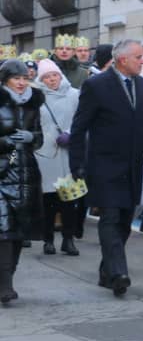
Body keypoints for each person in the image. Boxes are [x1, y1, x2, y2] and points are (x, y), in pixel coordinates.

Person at [69, 39, 143, 297]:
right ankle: (119, 273)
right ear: (123, 60)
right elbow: (79, 127)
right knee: (110, 218)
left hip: (132, 166)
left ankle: (106, 270)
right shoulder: (96, 85)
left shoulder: (142, 85)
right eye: (138, 58)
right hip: (104, 165)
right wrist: (76, 164)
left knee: (124, 221)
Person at [0, 59, 45, 305]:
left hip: (26, 172)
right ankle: (5, 285)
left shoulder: (32, 104)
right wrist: (6, 142)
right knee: (4, 231)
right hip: (3, 170)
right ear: (5, 79)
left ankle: (7, 279)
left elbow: (39, 138)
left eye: (24, 78)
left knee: (19, 232)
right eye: (16, 78)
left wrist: (31, 137)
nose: (21, 83)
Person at [34, 59, 81, 257]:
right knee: (48, 200)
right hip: (45, 154)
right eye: (46, 77)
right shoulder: (36, 97)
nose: (52, 79)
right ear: (41, 80)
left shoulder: (74, 94)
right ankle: (48, 240)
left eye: (54, 75)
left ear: (60, 75)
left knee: (69, 199)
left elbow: (82, 119)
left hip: (69, 153)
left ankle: (68, 240)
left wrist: (71, 133)